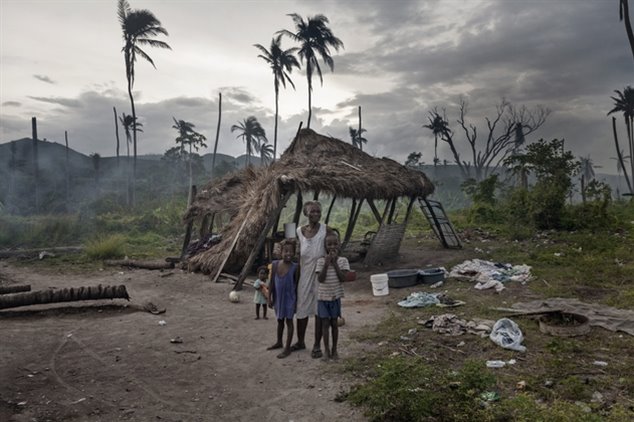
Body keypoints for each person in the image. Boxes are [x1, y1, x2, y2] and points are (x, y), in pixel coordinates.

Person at [295, 201, 328, 358]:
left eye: (318, 211)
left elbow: (334, 247)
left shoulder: (325, 230)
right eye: (312, 211)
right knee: (301, 309)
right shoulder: (299, 232)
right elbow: (295, 255)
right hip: (304, 276)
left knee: (319, 311)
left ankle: (316, 345)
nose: (315, 214)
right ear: (305, 213)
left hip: (321, 277)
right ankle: (300, 342)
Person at [315, 231, 349, 360]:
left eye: (335, 244)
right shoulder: (320, 261)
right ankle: (326, 351)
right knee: (325, 324)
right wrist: (326, 264)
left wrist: (334, 264)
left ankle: (335, 350)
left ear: (339, 245)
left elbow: (343, 278)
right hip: (322, 298)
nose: (332, 247)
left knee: (334, 324)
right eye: (329, 244)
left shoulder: (343, 261)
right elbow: (321, 279)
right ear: (325, 246)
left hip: (335, 297)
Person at [267, 240, 298, 359]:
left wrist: (296, 302)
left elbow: (297, 286)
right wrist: (269, 298)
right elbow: (271, 284)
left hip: (290, 299)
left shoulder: (295, 267)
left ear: (294, 253)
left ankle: (287, 348)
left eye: (291, 251)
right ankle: (279, 342)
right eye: (286, 251)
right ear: (281, 252)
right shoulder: (275, 265)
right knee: (280, 321)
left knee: (289, 322)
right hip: (278, 299)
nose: (288, 254)